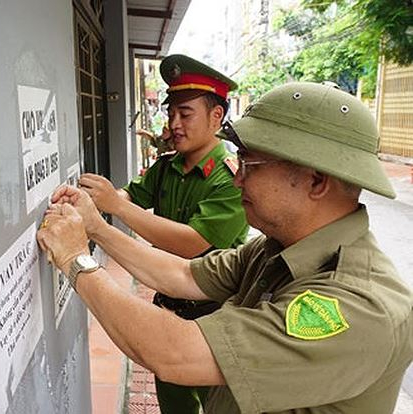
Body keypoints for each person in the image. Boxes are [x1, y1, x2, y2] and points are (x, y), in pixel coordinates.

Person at [37, 81, 413, 413]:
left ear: (315, 182)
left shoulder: (358, 307)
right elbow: (183, 274)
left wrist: (75, 259)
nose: (237, 181)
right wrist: (96, 227)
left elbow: (175, 353)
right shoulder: (277, 249)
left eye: (251, 165)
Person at [78, 54, 249, 412]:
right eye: (171, 113)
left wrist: (117, 207)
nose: (174, 124)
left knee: (219, 405)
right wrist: (93, 202)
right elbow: (131, 194)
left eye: (185, 114)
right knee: (173, 401)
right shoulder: (167, 166)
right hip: (169, 308)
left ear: (216, 117)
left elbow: (191, 244)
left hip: (214, 317)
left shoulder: (230, 177)